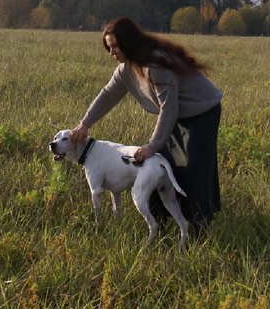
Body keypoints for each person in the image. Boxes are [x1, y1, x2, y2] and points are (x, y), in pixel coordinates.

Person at [71, 17, 223, 236]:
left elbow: (168, 110)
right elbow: (107, 95)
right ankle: (163, 222)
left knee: (191, 169)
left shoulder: (156, 65)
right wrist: (85, 124)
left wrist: (151, 146)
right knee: (159, 165)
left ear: (129, 43)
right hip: (178, 114)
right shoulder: (126, 69)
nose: (111, 52)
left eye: (115, 46)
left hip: (202, 113)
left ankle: (199, 230)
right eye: (108, 47)